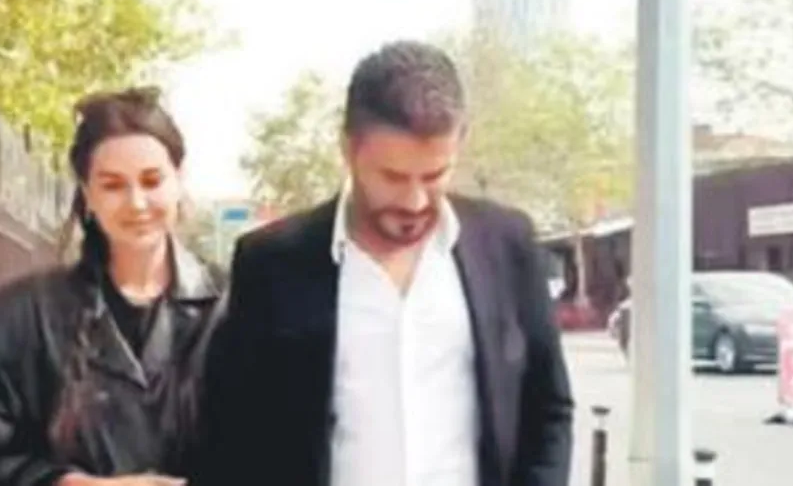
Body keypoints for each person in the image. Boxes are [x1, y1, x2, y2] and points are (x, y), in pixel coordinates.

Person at [197, 41, 573, 486]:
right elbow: (231, 435)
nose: (414, 201)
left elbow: (547, 409)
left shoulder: (507, 246)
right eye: (393, 177)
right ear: (348, 149)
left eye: (434, 176)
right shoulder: (271, 264)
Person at [0, 87, 224, 486]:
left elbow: (274, 440)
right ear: (87, 193)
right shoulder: (19, 319)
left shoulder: (237, 306)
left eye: (152, 181)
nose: (136, 203)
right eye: (113, 185)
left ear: (178, 180)